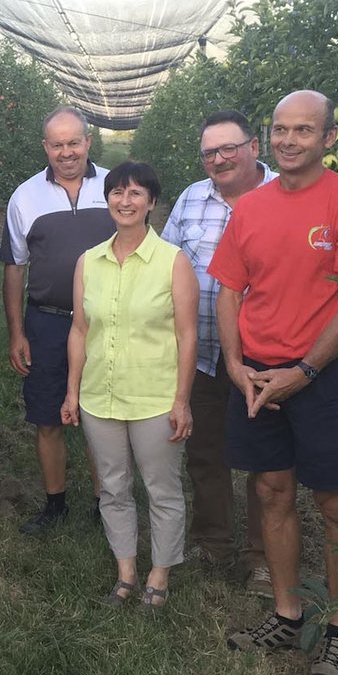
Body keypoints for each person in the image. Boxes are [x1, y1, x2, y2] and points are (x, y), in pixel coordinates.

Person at [212, 90, 338, 675]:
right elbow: (231, 290)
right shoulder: (252, 208)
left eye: (304, 131)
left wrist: (306, 370)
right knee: (269, 490)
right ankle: (286, 612)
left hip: (321, 374)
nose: (290, 140)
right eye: (281, 130)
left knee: (336, 504)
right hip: (258, 371)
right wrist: (235, 365)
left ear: (328, 139)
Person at [61, 162, 198, 609]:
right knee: (113, 487)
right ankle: (126, 572)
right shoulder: (90, 262)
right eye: (118, 192)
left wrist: (182, 400)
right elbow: (80, 330)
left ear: (152, 203)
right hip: (101, 394)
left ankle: (160, 573)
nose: (126, 201)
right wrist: (72, 391)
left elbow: (186, 336)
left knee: (161, 488)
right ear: (108, 200)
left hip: (155, 396)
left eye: (136, 193)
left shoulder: (173, 263)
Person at [160, 110, 278, 593]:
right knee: (205, 453)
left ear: (255, 147)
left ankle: (262, 555)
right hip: (204, 351)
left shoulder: (284, 198)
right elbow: (167, 266)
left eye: (229, 148)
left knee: (266, 462)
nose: (220, 159)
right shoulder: (191, 199)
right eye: (210, 152)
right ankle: (213, 542)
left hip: (266, 356)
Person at [3, 106, 115, 534]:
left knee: (101, 414)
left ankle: (106, 501)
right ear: (45, 148)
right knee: (48, 415)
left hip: (104, 321)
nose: (66, 152)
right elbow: (14, 266)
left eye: (74, 142)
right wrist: (16, 331)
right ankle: (55, 503)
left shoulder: (114, 188)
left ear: (88, 142)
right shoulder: (25, 196)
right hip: (48, 321)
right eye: (57, 144)